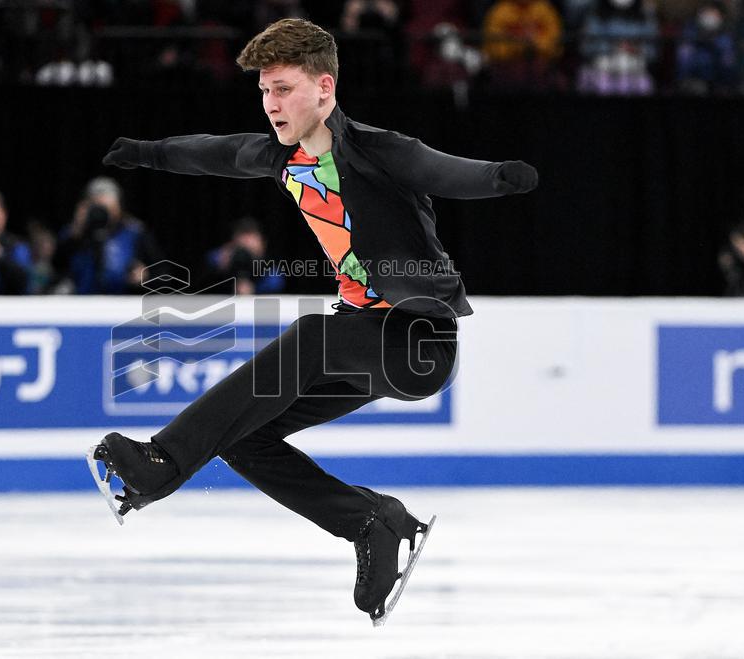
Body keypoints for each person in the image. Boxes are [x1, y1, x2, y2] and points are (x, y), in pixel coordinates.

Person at [95, 18, 537, 621]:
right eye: (264, 91)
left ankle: (163, 463)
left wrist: (498, 178)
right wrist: (149, 153)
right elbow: (217, 153)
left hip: (418, 343)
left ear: (324, 88)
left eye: (282, 89)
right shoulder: (283, 157)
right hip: (361, 340)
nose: (270, 103)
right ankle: (371, 523)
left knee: (309, 335)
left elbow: (442, 169)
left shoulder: (379, 150)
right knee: (245, 436)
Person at [54, 177, 164, 295]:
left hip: (122, 302)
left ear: (118, 207)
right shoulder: (76, 233)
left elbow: (162, 273)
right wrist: (75, 231)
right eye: (98, 208)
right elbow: (56, 265)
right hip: (81, 301)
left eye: (108, 209)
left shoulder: (135, 232)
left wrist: (145, 276)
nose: (104, 215)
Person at [204, 216, 286, 294]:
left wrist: (254, 289)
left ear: (263, 246)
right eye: (242, 249)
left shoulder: (269, 268)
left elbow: (276, 283)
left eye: (251, 249)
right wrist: (220, 259)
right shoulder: (225, 258)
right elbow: (209, 259)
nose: (245, 257)